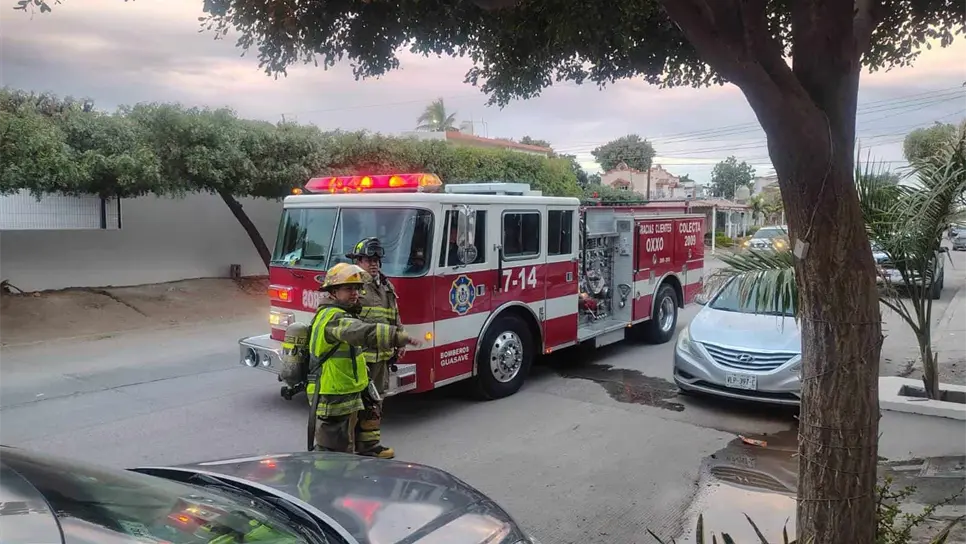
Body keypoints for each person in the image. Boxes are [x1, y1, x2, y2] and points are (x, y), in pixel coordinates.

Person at [306, 262, 418, 456]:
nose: (355, 294)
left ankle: (365, 452)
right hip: (333, 393)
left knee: (347, 444)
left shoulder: (343, 313)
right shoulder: (333, 317)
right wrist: (397, 336)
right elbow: (362, 332)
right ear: (333, 292)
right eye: (349, 289)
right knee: (333, 454)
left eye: (357, 289)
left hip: (344, 388)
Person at [346, 237, 405, 459]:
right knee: (353, 404)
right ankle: (345, 449)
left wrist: (399, 339)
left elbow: (394, 315)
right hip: (359, 357)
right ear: (358, 261)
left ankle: (369, 446)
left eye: (377, 260)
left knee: (375, 401)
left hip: (381, 357)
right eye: (368, 259)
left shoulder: (386, 285)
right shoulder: (352, 286)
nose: (374, 264)